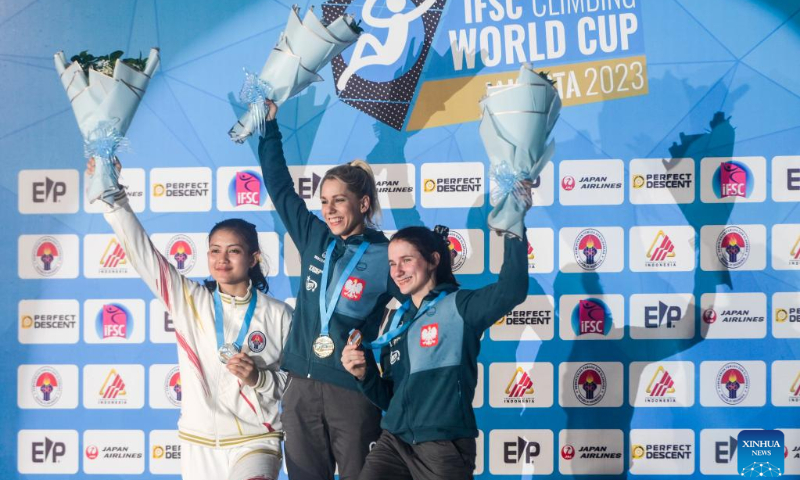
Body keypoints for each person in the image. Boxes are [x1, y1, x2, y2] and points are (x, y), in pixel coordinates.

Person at [88, 158, 292, 480]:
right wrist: (114, 199)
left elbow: (298, 385)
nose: (222, 259)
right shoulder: (189, 301)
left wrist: (259, 378)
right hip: (199, 446)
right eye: (214, 250)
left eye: (233, 251)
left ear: (253, 258)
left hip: (256, 441)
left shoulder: (279, 315)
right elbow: (144, 255)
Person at [257, 103, 401, 480]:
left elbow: (419, 308)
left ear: (363, 203)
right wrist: (269, 128)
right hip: (300, 388)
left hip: (351, 390)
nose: (329, 210)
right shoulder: (315, 237)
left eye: (339, 200)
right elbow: (280, 188)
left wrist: (387, 372)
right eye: (324, 201)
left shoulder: (388, 255)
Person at [341, 224, 529, 479]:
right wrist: (365, 375)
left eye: (406, 260)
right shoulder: (397, 322)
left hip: (442, 445)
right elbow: (391, 399)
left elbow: (511, 290)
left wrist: (513, 230)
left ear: (433, 260)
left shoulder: (460, 307)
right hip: (395, 440)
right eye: (392, 263)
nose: (397, 271)